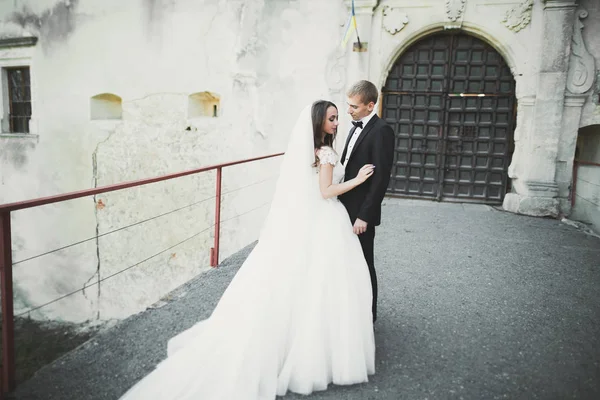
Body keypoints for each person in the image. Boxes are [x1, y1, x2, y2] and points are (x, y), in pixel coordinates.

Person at [119, 100, 377, 400]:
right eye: (331, 118)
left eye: (337, 118)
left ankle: (299, 345)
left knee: (304, 281)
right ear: (319, 122)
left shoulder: (314, 151)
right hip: (326, 218)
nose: (336, 122)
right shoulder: (327, 152)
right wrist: (358, 180)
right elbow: (325, 191)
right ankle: (319, 350)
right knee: (322, 282)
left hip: (312, 220)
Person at [339, 80, 396, 323]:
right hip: (343, 206)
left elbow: (380, 178)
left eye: (354, 106)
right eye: (348, 105)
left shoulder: (382, 130)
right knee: (347, 261)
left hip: (360, 212)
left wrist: (365, 215)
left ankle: (368, 317)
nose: (348, 110)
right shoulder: (354, 128)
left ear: (370, 105)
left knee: (364, 263)